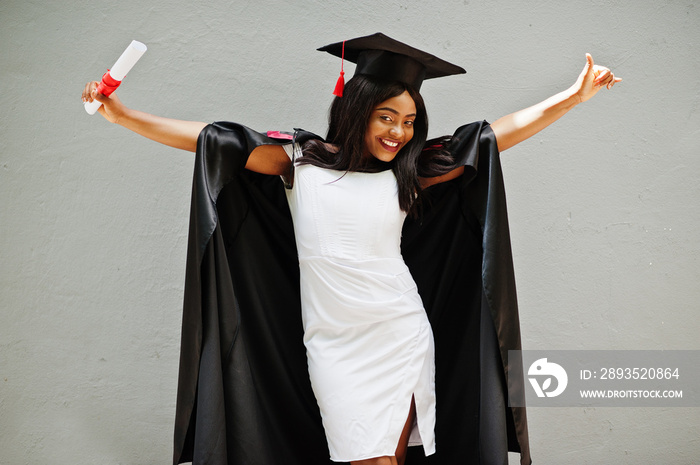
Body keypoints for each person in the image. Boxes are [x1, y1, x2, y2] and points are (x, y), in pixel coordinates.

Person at [82, 33, 619, 465]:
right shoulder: (300, 162)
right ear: (358, 107)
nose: (399, 133)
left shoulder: (408, 175)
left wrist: (572, 97)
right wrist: (123, 116)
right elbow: (213, 138)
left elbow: (493, 136)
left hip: (397, 332)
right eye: (387, 116)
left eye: (409, 122)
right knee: (360, 457)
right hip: (332, 345)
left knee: (384, 460)